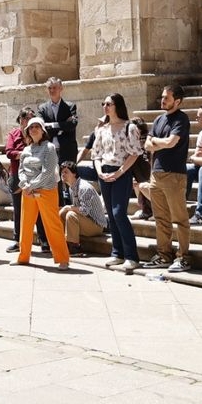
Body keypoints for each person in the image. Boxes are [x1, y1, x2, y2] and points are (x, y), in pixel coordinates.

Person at [142, 84, 192, 273]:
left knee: (180, 219)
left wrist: (156, 142)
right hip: (156, 173)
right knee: (161, 218)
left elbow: (172, 142)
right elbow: (147, 145)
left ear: (177, 101)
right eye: (162, 97)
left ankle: (184, 257)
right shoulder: (158, 119)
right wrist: (158, 143)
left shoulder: (181, 119)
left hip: (174, 174)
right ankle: (164, 255)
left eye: (166, 98)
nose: (162, 100)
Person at [92, 94, 144, 274]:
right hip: (104, 171)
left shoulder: (129, 127)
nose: (105, 107)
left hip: (122, 171)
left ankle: (132, 256)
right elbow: (96, 154)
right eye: (104, 103)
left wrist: (120, 172)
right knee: (111, 215)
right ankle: (117, 252)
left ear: (117, 106)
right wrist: (99, 171)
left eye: (109, 104)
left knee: (119, 213)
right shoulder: (102, 129)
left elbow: (135, 153)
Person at [13, 117, 70, 269]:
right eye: (31, 127)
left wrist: (31, 186)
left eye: (37, 126)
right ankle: (23, 257)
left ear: (43, 130)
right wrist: (25, 185)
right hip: (28, 191)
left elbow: (48, 171)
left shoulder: (49, 147)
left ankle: (63, 258)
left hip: (46, 190)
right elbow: (21, 170)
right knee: (25, 224)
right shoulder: (26, 150)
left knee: (52, 224)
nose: (33, 129)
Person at [3, 107, 43, 254]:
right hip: (17, 176)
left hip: (36, 176)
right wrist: (25, 153)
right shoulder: (14, 134)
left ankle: (44, 240)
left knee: (38, 208)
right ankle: (17, 240)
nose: (26, 121)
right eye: (24, 117)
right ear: (19, 120)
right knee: (18, 209)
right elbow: (9, 152)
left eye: (30, 118)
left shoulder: (37, 134)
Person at [38, 77, 79, 203]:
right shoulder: (42, 108)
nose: (52, 90)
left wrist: (52, 126)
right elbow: (42, 128)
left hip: (67, 149)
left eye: (54, 88)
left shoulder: (70, 106)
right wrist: (62, 126)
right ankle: (59, 207)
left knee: (69, 179)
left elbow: (72, 125)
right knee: (55, 181)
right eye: (49, 88)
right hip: (50, 151)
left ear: (61, 88)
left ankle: (72, 206)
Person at [59, 162, 107, 255]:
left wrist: (68, 207)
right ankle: (61, 242)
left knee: (71, 215)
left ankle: (74, 247)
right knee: (62, 213)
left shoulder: (84, 188)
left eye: (66, 172)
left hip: (96, 225)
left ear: (74, 174)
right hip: (85, 220)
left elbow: (85, 211)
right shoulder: (72, 187)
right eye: (62, 172)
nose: (63, 174)